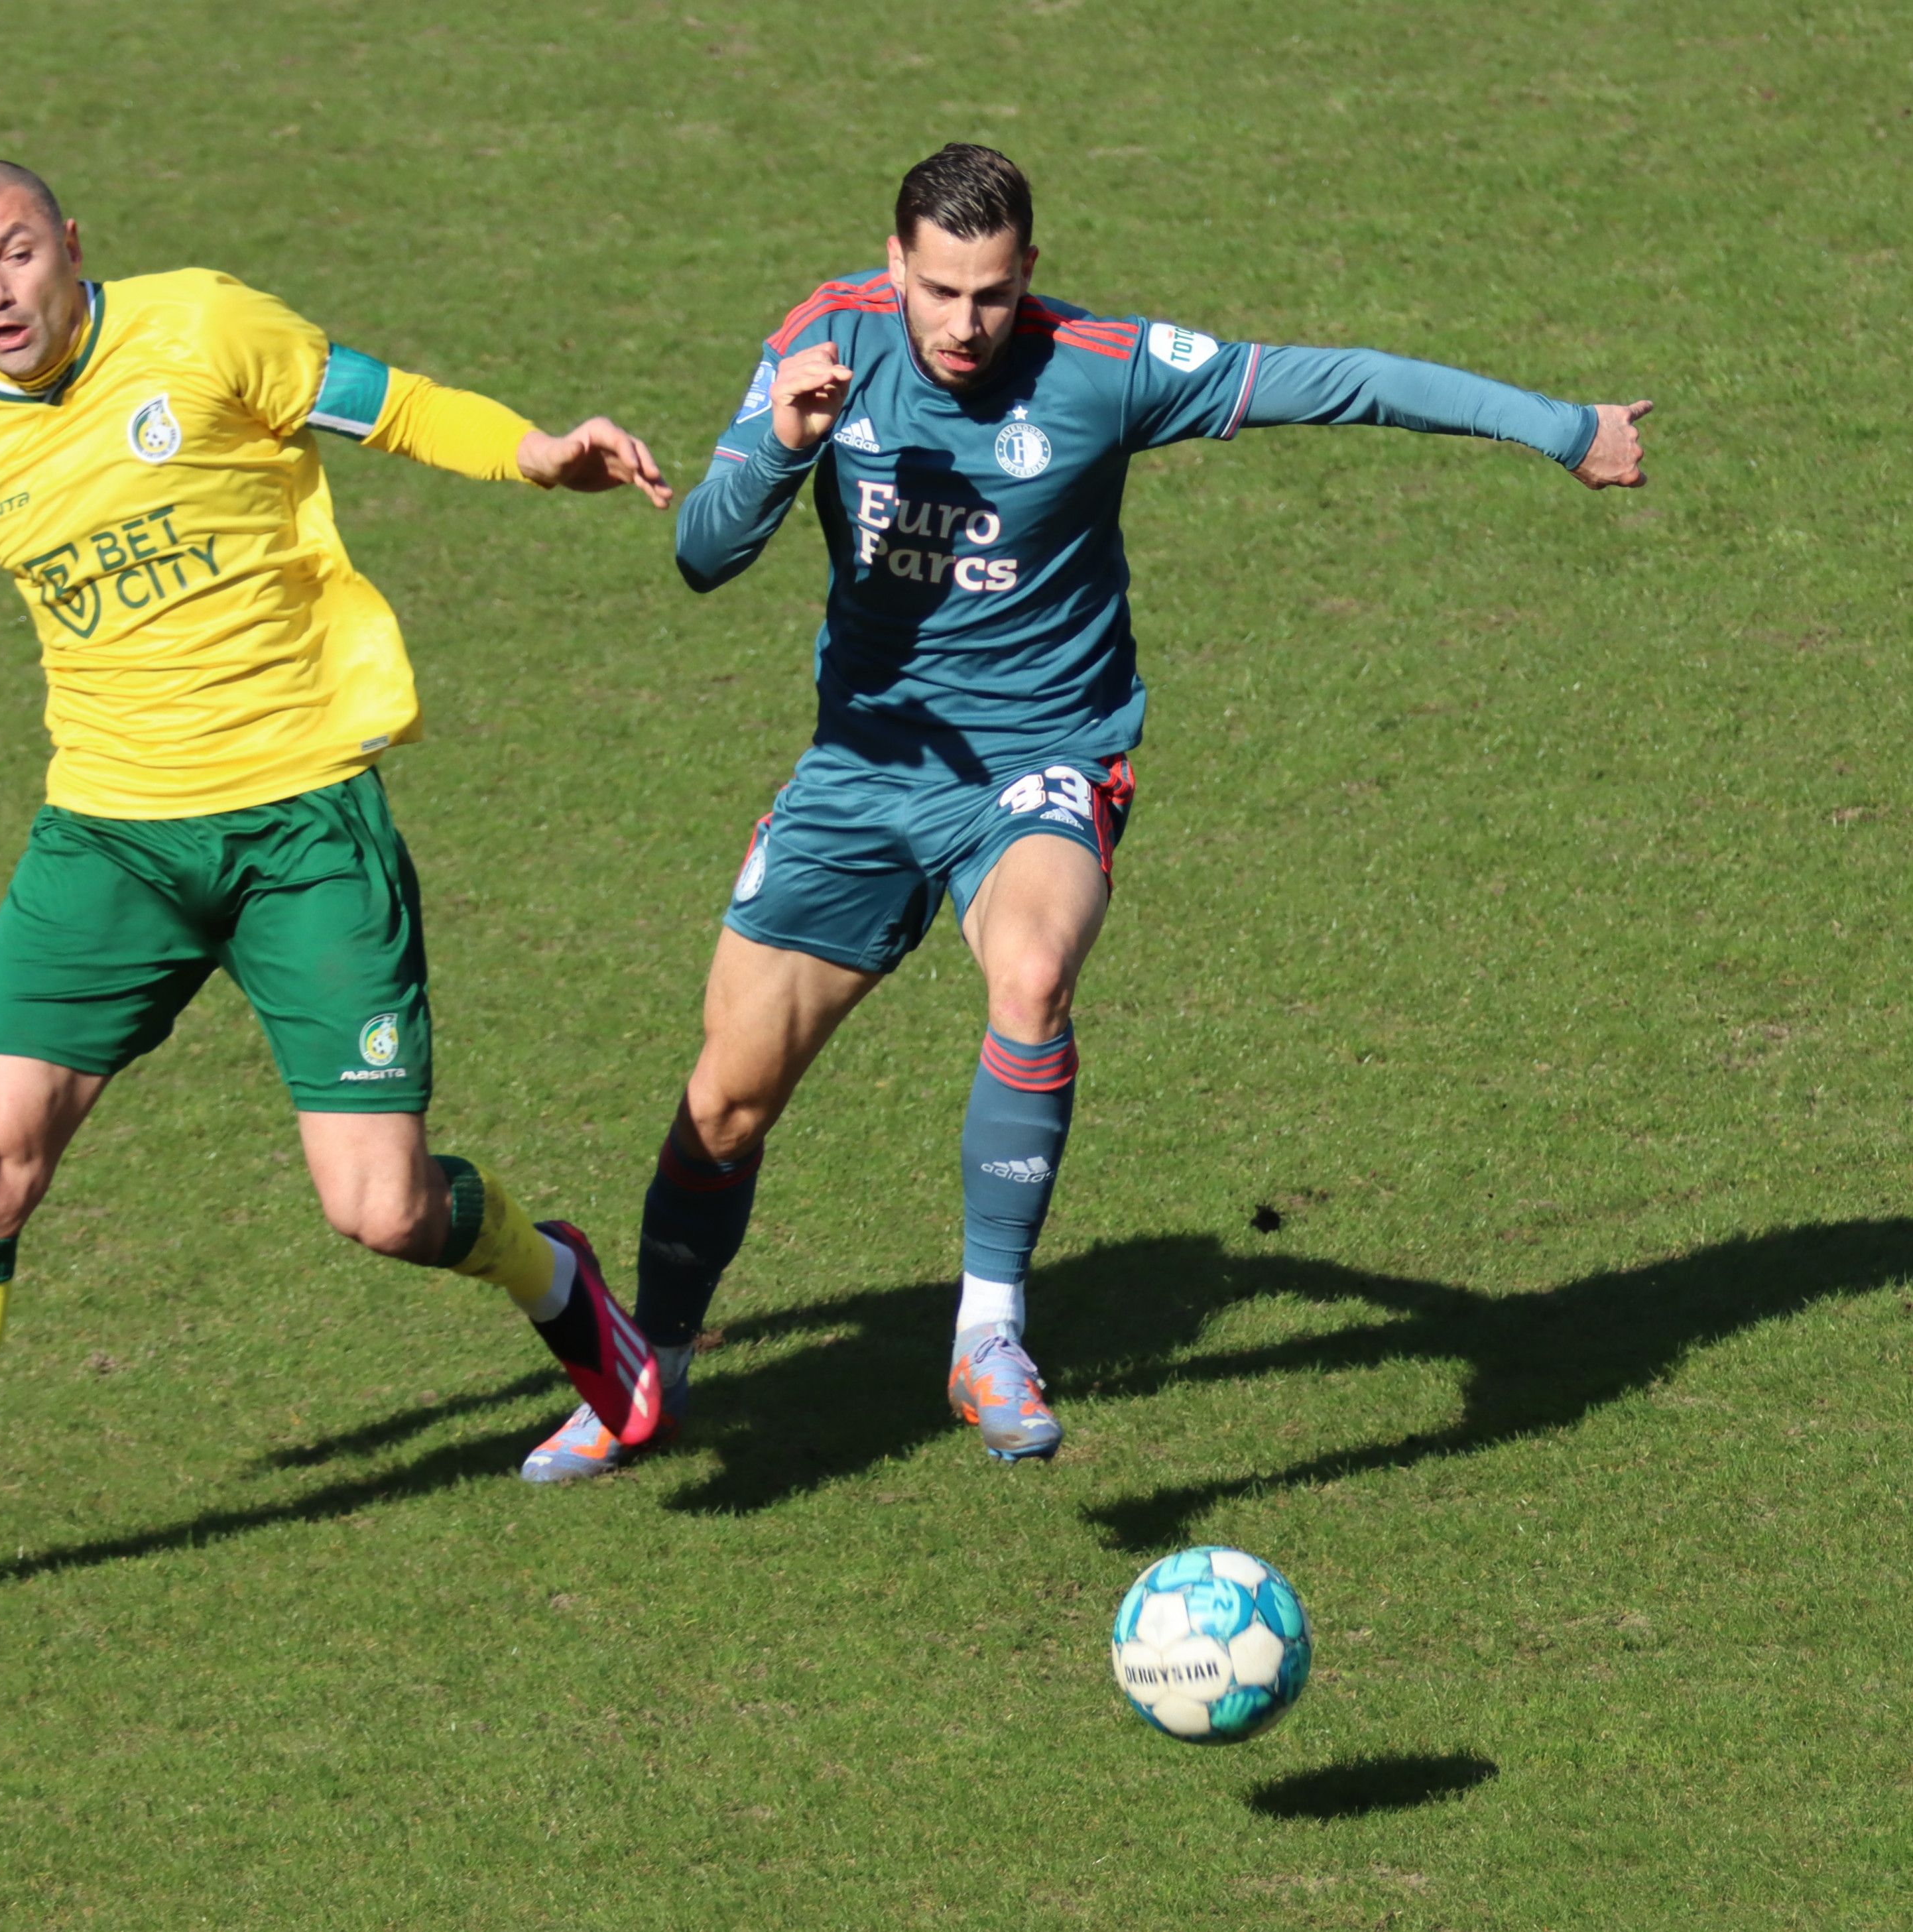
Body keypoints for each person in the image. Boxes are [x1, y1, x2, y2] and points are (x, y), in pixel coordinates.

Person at [519, 142, 1650, 1480]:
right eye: (938, 290)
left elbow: (1335, 380)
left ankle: (988, 1332)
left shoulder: (1104, 366)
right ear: (894, 267)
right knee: (726, 1100)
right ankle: (648, 1368)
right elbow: (704, 554)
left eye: (991, 294)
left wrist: (1563, 427)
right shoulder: (825, 342)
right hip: (866, 768)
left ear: (1029, 276)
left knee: (1035, 969)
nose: (962, 324)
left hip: (1045, 757)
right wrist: (783, 442)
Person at [0, 159, 672, 1626]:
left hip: (303, 824)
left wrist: (536, 454)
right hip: (109, 847)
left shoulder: (203, 326)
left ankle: (557, 1282)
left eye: (15, 255)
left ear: (70, 248)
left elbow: (392, 401)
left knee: (379, 1209)